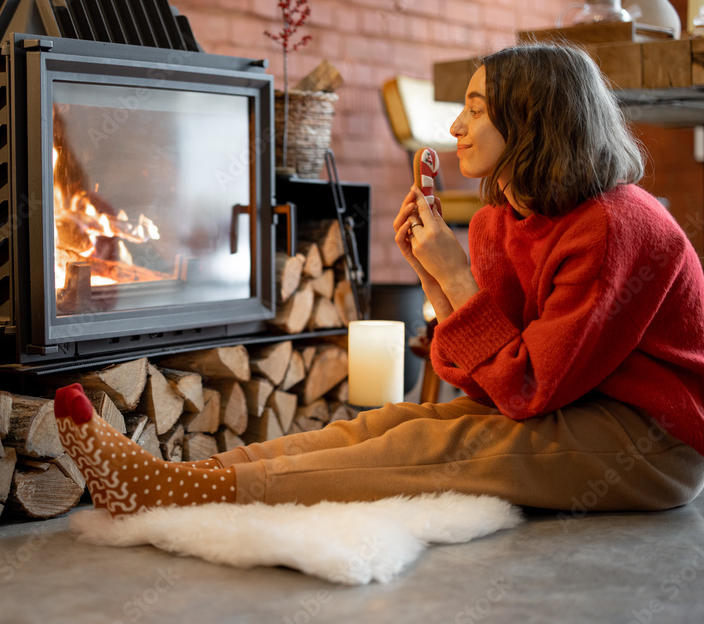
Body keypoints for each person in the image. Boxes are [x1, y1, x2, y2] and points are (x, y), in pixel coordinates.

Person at [55, 43, 704, 516]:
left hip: (648, 441)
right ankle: (179, 476)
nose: (454, 128)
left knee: (437, 438)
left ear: (533, 119)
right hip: (572, 403)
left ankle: (173, 495)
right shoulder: (500, 223)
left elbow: (526, 389)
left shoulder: (618, 228)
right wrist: (433, 275)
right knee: (384, 423)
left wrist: (453, 273)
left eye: (475, 109)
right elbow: (472, 372)